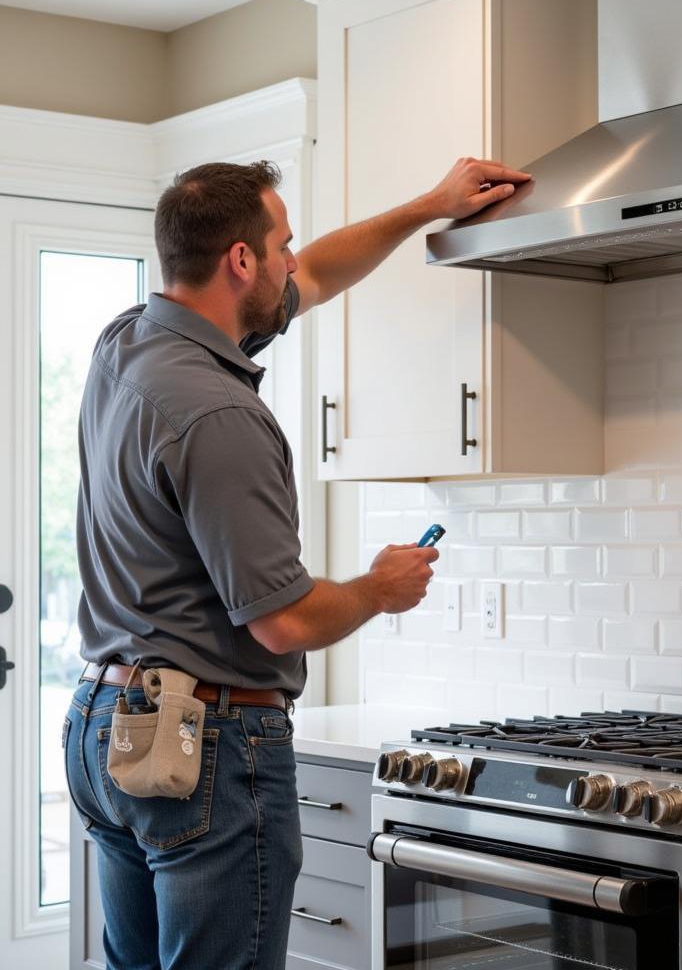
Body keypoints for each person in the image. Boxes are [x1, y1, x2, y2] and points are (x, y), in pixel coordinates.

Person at [62, 155, 531, 970]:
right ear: (239, 260)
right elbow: (280, 621)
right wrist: (378, 589)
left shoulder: (124, 343)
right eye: (279, 243)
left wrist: (430, 203)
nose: (292, 259)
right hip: (208, 741)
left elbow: (315, 273)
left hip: (108, 723)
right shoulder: (217, 413)